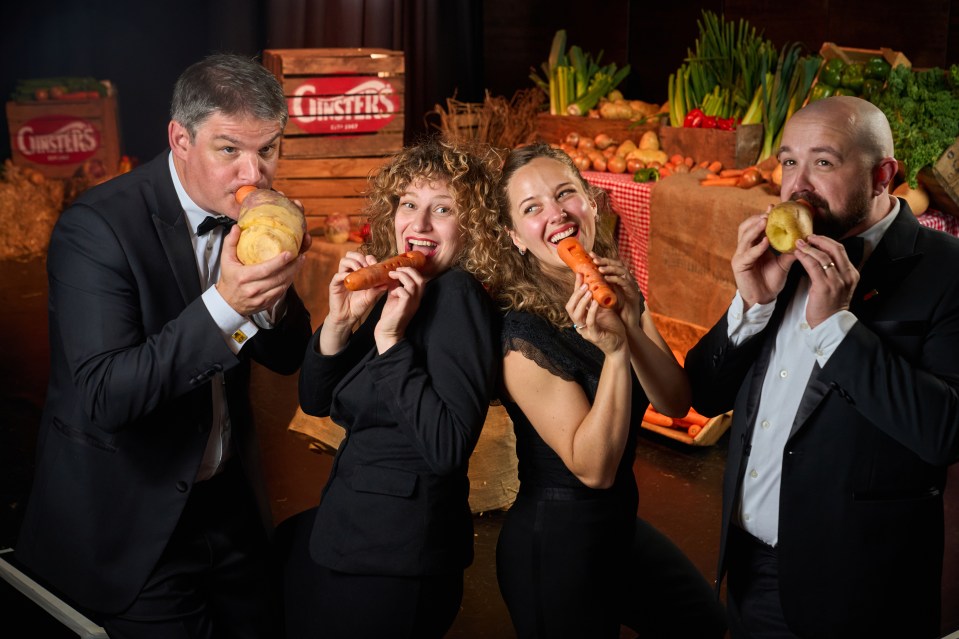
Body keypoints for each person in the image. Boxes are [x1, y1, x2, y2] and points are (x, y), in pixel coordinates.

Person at [14, 53, 313, 638]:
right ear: (180, 138)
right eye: (229, 149)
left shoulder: (253, 215)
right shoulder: (94, 229)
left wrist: (272, 294)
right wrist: (228, 304)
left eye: (269, 149)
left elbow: (287, 356)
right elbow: (106, 397)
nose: (253, 175)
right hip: (130, 523)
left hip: (230, 507)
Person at [685, 95, 959, 638]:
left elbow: (946, 434)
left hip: (863, 594)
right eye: (789, 161)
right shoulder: (778, 260)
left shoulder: (947, 270)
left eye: (824, 162)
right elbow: (705, 393)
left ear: (883, 175)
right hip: (747, 572)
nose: (797, 185)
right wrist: (752, 305)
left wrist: (837, 328)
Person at [468, 141, 727, 638]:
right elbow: (594, 469)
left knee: (704, 624)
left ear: (589, 200)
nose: (556, 213)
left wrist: (631, 320)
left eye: (566, 193)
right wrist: (615, 353)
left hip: (617, 530)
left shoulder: (614, 283)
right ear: (515, 237)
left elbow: (675, 401)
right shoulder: (519, 334)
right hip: (555, 546)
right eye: (532, 208)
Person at [284, 137, 501, 638]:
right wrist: (340, 323)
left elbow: (447, 448)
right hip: (354, 536)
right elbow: (315, 401)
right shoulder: (402, 288)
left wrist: (389, 340)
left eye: (442, 209)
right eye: (409, 204)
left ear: (472, 229)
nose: (419, 225)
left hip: (402, 557)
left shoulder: (458, 296)